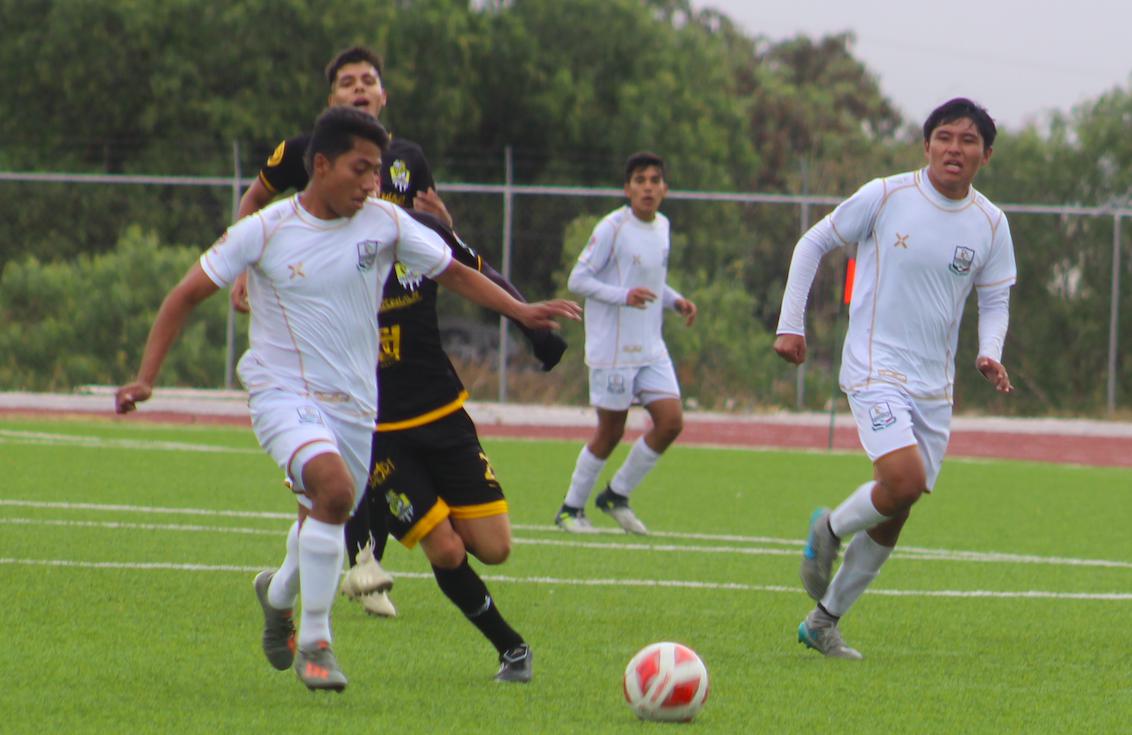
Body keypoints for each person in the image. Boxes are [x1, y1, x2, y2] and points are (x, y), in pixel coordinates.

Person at [114, 106, 580, 692]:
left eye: (377, 171)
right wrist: (146, 377)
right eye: (360, 170)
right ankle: (315, 644)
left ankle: (278, 594)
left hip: (358, 405)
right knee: (333, 493)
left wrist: (521, 311)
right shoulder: (267, 229)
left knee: (324, 509)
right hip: (281, 391)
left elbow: (453, 271)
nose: (371, 183)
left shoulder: (384, 223)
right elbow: (185, 294)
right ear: (320, 164)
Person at [233, 45, 567, 621]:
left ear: (384, 95)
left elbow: (437, 242)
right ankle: (328, 593)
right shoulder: (302, 153)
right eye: (346, 83)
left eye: (368, 81)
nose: (359, 89)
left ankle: (332, 566)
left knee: (457, 528)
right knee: (330, 478)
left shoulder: (406, 158)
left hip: (405, 349)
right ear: (331, 100)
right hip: (331, 338)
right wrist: (245, 267)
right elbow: (256, 200)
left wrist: (519, 308)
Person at [773, 98, 1016, 660]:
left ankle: (823, 621)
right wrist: (791, 325)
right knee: (902, 482)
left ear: (986, 154)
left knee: (898, 506)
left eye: (969, 140)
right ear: (927, 144)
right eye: (945, 137)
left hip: (934, 386)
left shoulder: (990, 223)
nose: (955, 148)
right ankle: (829, 529)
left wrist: (989, 352)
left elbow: (996, 298)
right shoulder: (885, 195)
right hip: (874, 365)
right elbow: (813, 242)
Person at [554, 151, 697, 535]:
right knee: (611, 431)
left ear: (664, 188)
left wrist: (674, 299)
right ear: (627, 188)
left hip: (650, 346)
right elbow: (578, 280)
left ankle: (616, 495)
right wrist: (623, 296)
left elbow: (650, 280)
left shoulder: (663, 226)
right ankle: (570, 509)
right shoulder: (612, 228)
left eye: (654, 180)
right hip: (613, 349)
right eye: (640, 180)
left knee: (671, 422)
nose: (647, 187)